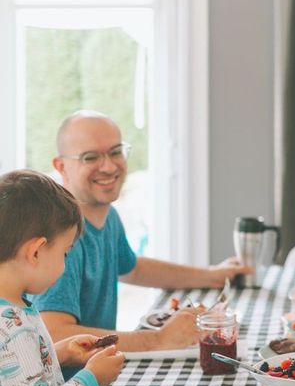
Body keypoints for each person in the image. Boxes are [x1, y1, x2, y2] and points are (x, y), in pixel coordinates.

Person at [31, 111, 251, 352]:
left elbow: (132, 268)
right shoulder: (63, 236)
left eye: (115, 152)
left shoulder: (108, 216)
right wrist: (158, 340)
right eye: (90, 157)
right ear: (61, 166)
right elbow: (55, 332)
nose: (108, 166)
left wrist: (212, 276)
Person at [0, 170, 124, 386]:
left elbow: (13, 377)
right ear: (36, 251)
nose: (66, 263)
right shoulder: (12, 325)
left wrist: (58, 353)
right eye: (65, 253)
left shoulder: (13, 308)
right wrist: (91, 380)